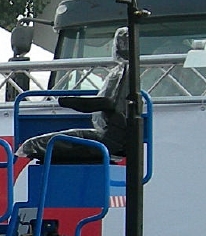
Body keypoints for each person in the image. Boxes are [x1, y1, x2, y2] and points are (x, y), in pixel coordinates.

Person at [16, 26, 131, 162]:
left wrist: (64, 101)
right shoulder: (122, 73)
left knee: (33, 145)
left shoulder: (122, 74)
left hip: (111, 138)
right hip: (113, 136)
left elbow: (107, 103)